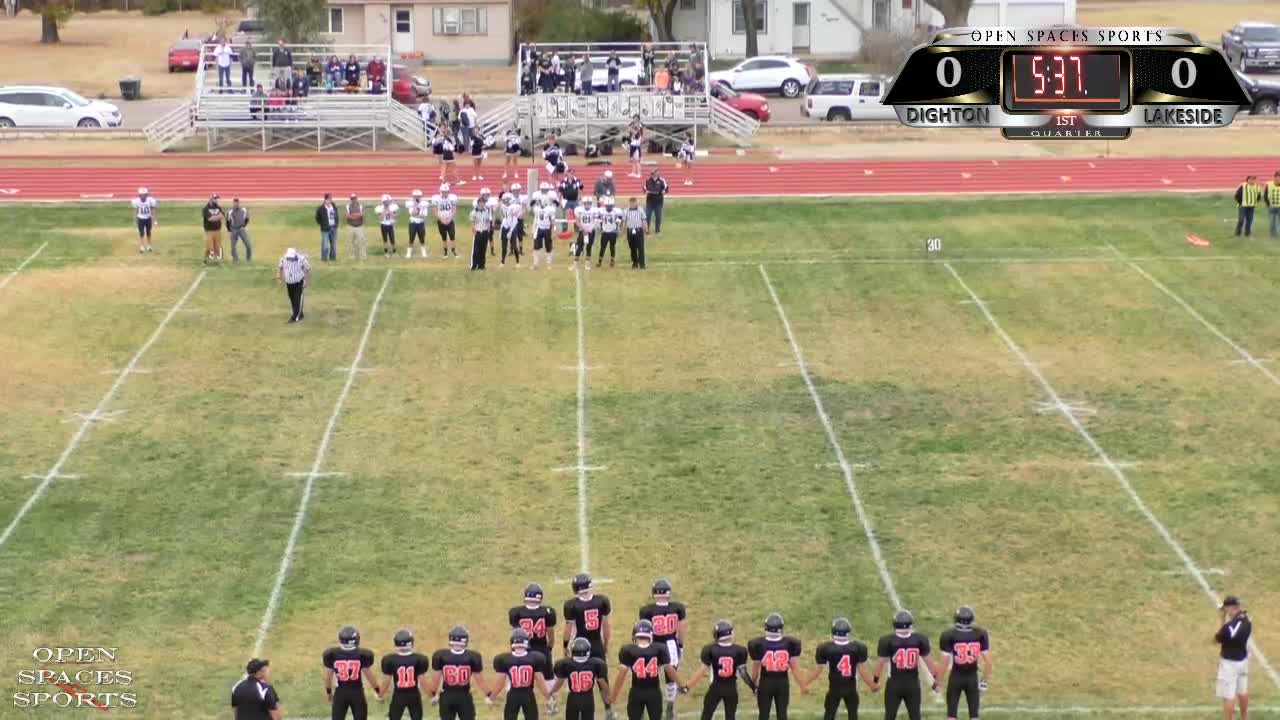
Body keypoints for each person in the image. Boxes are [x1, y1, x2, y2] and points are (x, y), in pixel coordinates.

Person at [872, 611, 942, 720]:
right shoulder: (920, 639)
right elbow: (929, 661)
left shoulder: (887, 640)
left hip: (894, 684)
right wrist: (936, 679)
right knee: (915, 716)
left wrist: (875, 681)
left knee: (890, 716)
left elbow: (880, 662)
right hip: (912, 684)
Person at [608, 621, 682, 720]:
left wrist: (614, 696)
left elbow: (621, 675)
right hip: (654, 692)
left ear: (635, 635)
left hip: (636, 692)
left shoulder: (627, 650)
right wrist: (681, 685)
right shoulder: (659, 648)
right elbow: (669, 669)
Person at [804, 618, 875, 720]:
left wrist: (805, 683)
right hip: (851, 688)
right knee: (853, 715)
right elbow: (862, 670)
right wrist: (872, 685)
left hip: (834, 688)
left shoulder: (825, 648)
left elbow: (818, 670)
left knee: (829, 714)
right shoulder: (858, 647)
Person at [682, 620, 754, 720]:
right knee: (730, 716)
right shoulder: (740, 650)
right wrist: (753, 686)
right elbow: (743, 673)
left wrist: (687, 686)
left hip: (716, 687)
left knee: (706, 715)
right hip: (731, 688)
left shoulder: (710, 649)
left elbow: (702, 671)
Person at [564, 573, 613, 713]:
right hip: (596, 643)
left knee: (577, 674)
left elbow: (568, 629)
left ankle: (577, 707)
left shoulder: (571, 605)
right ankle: (609, 709)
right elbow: (606, 627)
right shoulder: (602, 601)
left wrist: (565, 645)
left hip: (579, 644)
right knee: (602, 678)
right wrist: (605, 644)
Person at [638, 579, 687, 720]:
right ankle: (670, 705)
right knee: (671, 677)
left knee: (648, 677)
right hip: (671, 644)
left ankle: (645, 706)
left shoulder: (646, 610)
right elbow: (681, 629)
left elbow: (643, 630)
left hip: (653, 644)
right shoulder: (677, 608)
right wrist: (681, 645)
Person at [748, 613, 805, 720]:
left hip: (765, 682)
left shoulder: (758, 644)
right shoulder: (790, 643)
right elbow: (794, 668)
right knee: (782, 714)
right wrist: (802, 684)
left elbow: (756, 667)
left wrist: (753, 683)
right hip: (782, 682)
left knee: (763, 715)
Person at [938, 607, 990, 720]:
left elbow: (944, 663)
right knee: (974, 716)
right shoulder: (981, 634)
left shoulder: (948, 635)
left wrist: (939, 681)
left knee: (951, 715)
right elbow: (988, 662)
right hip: (972, 678)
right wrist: (984, 681)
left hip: (956, 678)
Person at [429, 626, 491, 720]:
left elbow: (436, 679)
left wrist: (433, 694)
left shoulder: (440, 655)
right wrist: (489, 694)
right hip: (464, 696)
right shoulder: (473, 656)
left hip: (447, 696)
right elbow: (480, 680)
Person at [489, 629, 552, 720]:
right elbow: (540, 681)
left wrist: (492, 697)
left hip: (513, 694)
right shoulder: (535, 658)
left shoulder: (505, 659)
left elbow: (500, 682)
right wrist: (548, 697)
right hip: (528, 694)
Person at [323, 625, 382, 718]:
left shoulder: (332, 654)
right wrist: (378, 690)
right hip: (357, 692)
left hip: (340, 693)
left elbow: (328, 677)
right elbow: (369, 675)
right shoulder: (363, 654)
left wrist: (329, 693)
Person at [511, 583, 558, 689]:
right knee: (548, 679)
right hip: (542, 648)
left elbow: (515, 635)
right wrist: (549, 648)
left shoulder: (516, 612)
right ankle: (551, 698)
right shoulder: (547, 612)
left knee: (520, 677)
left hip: (523, 648)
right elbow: (551, 636)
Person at [552, 638, 611, 720]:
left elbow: (560, 681)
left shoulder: (567, 664)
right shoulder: (595, 664)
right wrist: (608, 694)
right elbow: (602, 682)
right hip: (588, 698)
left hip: (573, 698)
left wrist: (552, 691)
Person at [1216, 596, 1252, 720]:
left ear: (1231, 608)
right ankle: (1244, 717)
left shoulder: (1228, 627)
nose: (1225, 611)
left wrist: (1222, 619)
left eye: (1225, 609)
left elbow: (1217, 638)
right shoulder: (1247, 620)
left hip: (1229, 664)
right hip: (1243, 661)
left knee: (1228, 696)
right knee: (1243, 691)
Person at [382, 629, 431, 720]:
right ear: (411, 642)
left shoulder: (389, 659)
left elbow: (386, 681)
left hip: (398, 694)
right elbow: (423, 681)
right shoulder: (420, 659)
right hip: (414, 694)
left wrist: (380, 694)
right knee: (417, 717)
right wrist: (431, 696)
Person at [277, 247, 311, 323]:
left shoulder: (302, 259)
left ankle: (295, 317)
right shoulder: (283, 259)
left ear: (295, 255)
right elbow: (280, 268)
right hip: (289, 283)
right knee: (292, 299)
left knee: (297, 299)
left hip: (299, 283)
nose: (290, 259)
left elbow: (308, 269)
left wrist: (307, 281)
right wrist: (279, 278)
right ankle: (299, 314)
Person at [433, 183, 460, 258]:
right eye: (444, 192)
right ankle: (445, 252)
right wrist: (441, 219)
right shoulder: (436, 199)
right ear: (441, 191)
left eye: (446, 192)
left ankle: (454, 251)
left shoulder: (452, 198)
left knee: (452, 236)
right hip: (441, 221)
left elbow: (454, 210)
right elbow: (435, 211)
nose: (445, 193)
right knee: (444, 237)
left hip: (450, 221)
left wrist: (450, 218)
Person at [470, 188, 494, 270]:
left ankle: (482, 265)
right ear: (478, 203)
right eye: (480, 202)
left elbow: (488, 221)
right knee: (476, 249)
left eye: (483, 202)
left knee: (483, 249)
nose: (482, 204)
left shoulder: (486, 211)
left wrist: (488, 229)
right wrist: (474, 230)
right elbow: (472, 222)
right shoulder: (474, 212)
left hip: (485, 231)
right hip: (478, 231)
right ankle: (474, 265)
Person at [572, 196, 598, 271]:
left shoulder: (594, 210)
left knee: (589, 248)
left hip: (591, 231)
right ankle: (575, 264)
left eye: (589, 203)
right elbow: (577, 221)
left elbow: (595, 222)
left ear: (591, 203)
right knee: (579, 247)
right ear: (583, 203)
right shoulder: (579, 210)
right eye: (586, 203)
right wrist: (583, 229)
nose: (587, 205)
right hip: (582, 231)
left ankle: (587, 264)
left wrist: (590, 229)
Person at [597, 196, 623, 268]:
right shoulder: (602, 211)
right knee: (602, 247)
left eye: (610, 206)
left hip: (612, 232)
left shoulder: (616, 211)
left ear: (612, 205)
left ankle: (612, 260)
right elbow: (600, 221)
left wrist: (618, 229)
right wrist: (601, 229)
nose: (608, 207)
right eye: (607, 206)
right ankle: (599, 261)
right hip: (605, 232)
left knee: (612, 247)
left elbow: (620, 221)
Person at [531, 197, 557, 270]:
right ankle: (535, 264)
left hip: (547, 229)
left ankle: (549, 264)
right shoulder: (536, 209)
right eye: (539, 202)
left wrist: (554, 230)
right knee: (536, 247)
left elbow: (553, 220)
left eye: (541, 201)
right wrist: (533, 229)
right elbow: (536, 218)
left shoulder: (550, 209)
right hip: (539, 229)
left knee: (548, 247)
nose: (540, 203)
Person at [499, 193, 523, 267]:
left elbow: (515, 220)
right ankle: (502, 262)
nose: (506, 201)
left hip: (512, 227)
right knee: (504, 246)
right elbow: (504, 218)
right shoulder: (502, 206)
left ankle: (517, 262)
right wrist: (501, 229)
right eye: (505, 200)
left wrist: (511, 230)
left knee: (514, 246)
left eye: (507, 199)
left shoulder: (514, 207)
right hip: (505, 227)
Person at [131, 186, 157, 254]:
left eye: (144, 194)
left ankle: (149, 246)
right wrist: (135, 221)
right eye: (142, 195)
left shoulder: (150, 200)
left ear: (146, 194)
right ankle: (142, 246)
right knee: (141, 233)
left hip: (148, 218)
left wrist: (154, 220)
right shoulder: (136, 201)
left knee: (148, 232)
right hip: (140, 219)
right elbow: (135, 212)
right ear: (139, 195)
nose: (143, 196)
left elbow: (153, 210)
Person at [406, 189, 430, 258]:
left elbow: (424, 215)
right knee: (411, 238)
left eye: (418, 196)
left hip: (420, 223)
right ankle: (409, 253)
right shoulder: (411, 204)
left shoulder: (424, 204)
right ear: (413, 197)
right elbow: (412, 214)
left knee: (422, 238)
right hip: (412, 223)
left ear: (421, 196)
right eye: (415, 196)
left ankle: (423, 252)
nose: (417, 198)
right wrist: (415, 205)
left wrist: (417, 215)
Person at [315, 193, 339, 262]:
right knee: (325, 245)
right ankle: (324, 259)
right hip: (325, 229)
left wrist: (336, 224)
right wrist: (322, 224)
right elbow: (317, 218)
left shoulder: (333, 206)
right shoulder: (321, 208)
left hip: (333, 227)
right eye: (329, 199)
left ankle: (333, 258)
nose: (330, 200)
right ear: (325, 200)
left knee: (333, 245)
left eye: (331, 199)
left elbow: (336, 215)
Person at [201, 193, 225, 263]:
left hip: (218, 230)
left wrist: (215, 217)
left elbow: (223, 216)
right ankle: (206, 259)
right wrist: (218, 217)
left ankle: (219, 260)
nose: (217, 200)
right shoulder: (206, 209)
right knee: (209, 246)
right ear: (211, 199)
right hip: (209, 231)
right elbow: (210, 219)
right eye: (215, 199)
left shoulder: (218, 207)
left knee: (218, 246)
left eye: (217, 199)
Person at [624, 197, 646, 270]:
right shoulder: (626, 210)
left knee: (640, 248)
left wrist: (646, 229)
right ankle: (635, 263)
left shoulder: (640, 210)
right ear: (629, 203)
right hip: (630, 231)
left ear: (636, 202)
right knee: (632, 248)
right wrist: (623, 232)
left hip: (638, 230)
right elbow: (624, 222)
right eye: (631, 203)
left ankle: (642, 264)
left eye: (634, 202)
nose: (633, 204)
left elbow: (643, 220)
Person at [228, 197, 252, 263]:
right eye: (235, 202)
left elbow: (247, 218)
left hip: (241, 229)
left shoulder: (243, 210)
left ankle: (248, 259)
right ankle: (235, 259)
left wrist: (244, 226)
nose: (236, 204)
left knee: (248, 245)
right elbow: (228, 221)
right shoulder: (230, 211)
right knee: (233, 246)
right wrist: (230, 230)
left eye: (237, 202)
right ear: (233, 203)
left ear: (239, 203)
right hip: (234, 229)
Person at [346, 193, 368, 261]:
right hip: (351, 226)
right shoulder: (348, 206)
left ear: (356, 198)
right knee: (351, 242)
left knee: (362, 241)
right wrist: (357, 215)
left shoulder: (361, 206)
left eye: (354, 198)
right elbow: (347, 216)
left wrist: (353, 215)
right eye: (352, 199)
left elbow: (362, 214)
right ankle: (352, 256)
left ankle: (363, 256)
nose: (353, 200)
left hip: (359, 226)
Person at [1266, 171, 1280, 239]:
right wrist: (1268, 204)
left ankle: (1276, 232)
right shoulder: (1269, 184)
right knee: (1272, 221)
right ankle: (1273, 235)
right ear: (1274, 177)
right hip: (1272, 206)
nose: (1278, 179)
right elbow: (1265, 195)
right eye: (1277, 177)